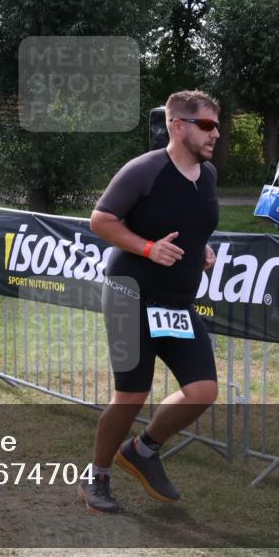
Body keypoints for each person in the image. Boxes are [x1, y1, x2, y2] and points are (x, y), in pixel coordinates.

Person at [78, 90, 221, 514]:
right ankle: (97, 476)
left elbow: (192, 226)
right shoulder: (145, 170)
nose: (216, 134)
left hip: (175, 302)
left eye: (217, 125)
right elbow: (101, 220)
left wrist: (202, 250)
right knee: (131, 395)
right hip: (129, 295)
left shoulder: (208, 175)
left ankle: (142, 450)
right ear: (178, 126)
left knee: (202, 391)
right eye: (208, 125)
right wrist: (146, 249)